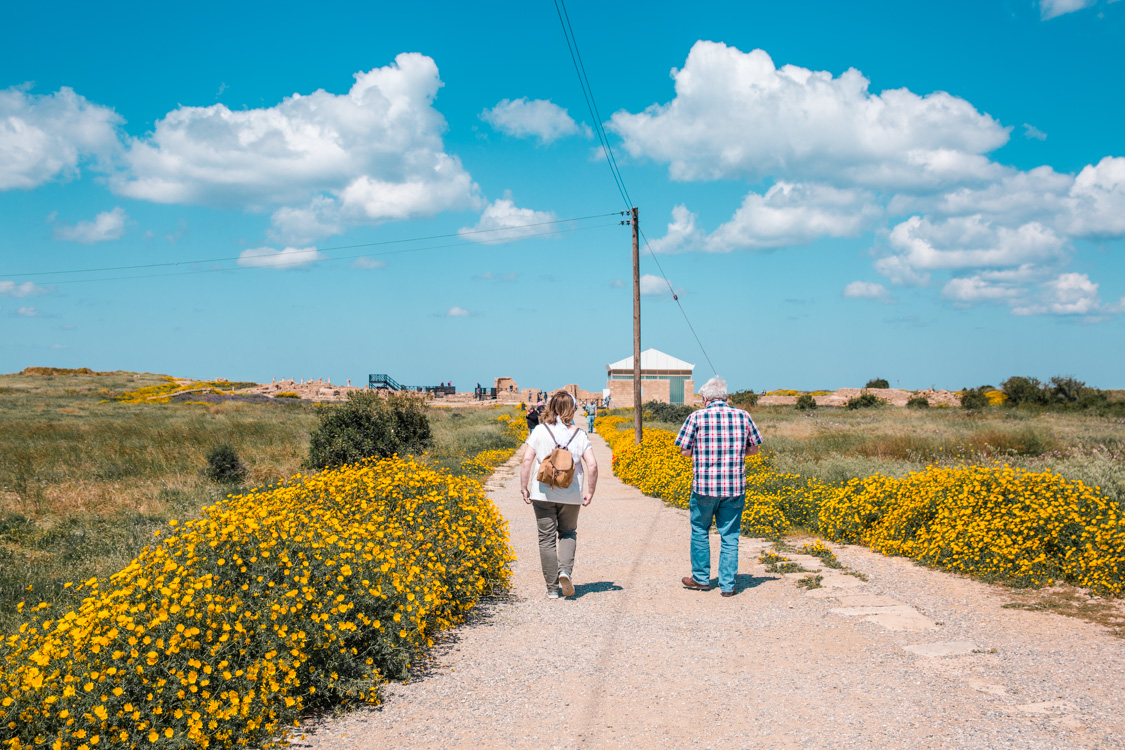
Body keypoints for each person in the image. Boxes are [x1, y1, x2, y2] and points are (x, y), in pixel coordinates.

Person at [673, 376, 762, 597]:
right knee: (730, 535)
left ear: (705, 398)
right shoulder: (743, 416)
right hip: (734, 487)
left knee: (700, 531)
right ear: (725, 397)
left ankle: (701, 579)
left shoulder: (696, 417)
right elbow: (754, 449)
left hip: (704, 486)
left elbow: (684, 450)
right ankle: (728, 585)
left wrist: (703, 454)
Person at [519, 391, 599, 599]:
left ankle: (552, 589)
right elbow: (592, 465)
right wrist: (590, 491)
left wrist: (524, 487)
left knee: (546, 539)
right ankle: (565, 571)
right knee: (568, 533)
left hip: (543, 493)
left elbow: (527, 461)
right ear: (572, 409)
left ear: (551, 407)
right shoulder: (580, 434)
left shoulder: (539, 431)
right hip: (571, 495)